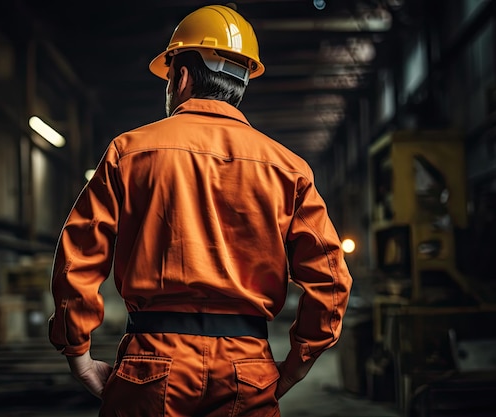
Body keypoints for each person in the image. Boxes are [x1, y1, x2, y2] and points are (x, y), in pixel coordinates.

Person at [48, 4, 353, 416]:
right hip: (249, 367)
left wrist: (78, 351)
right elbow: (331, 280)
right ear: (241, 83)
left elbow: (79, 255)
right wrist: (297, 364)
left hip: (151, 362)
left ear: (182, 76)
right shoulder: (289, 168)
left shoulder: (130, 151)